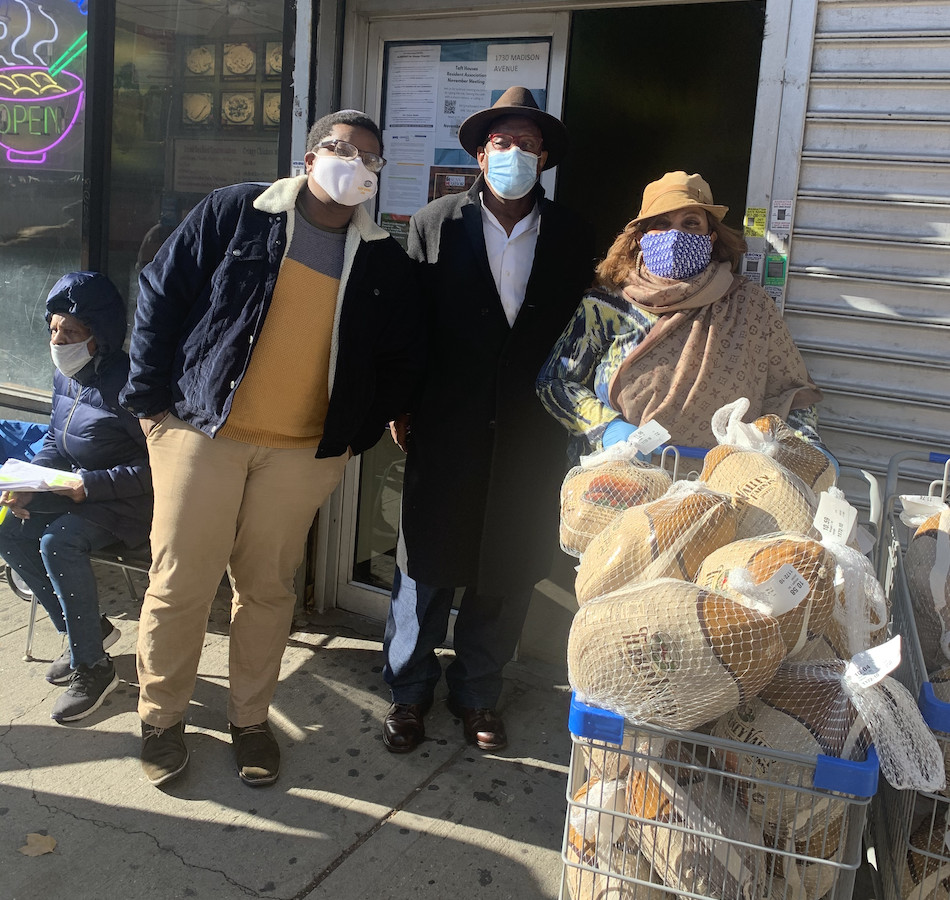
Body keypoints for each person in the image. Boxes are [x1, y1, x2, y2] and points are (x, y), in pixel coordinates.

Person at [120, 109, 423, 788]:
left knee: (265, 589)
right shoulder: (237, 212)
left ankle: (250, 719)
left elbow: (402, 360)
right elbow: (162, 292)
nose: (354, 163)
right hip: (201, 429)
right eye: (340, 148)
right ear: (309, 157)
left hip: (302, 453)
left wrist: (353, 437)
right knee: (181, 582)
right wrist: (149, 404)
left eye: (367, 157)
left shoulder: (381, 259)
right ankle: (161, 717)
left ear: (375, 177)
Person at [382, 86, 595, 754]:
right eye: (502, 143)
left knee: (504, 566)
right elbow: (409, 325)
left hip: (532, 429)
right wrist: (401, 402)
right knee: (427, 565)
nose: (513, 154)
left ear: (543, 159)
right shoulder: (435, 221)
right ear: (480, 153)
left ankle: (478, 693)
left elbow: (585, 336)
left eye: (527, 145)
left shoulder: (573, 234)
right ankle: (409, 691)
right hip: (446, 422)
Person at [537, 170, 831, 461]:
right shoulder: (607, 306)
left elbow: (792, 394)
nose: (675, 235)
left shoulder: (751, 305)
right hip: (625, 472)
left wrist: (806, 449)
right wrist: (607, 428)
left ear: (711, 237)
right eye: (661, 224)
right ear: (640, 238)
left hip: (724, 485)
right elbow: (555, 382)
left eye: (691, 223)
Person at [0, 272, 152, 723]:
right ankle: (84, 631)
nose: (58, 339)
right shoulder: (67, 375)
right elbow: (56, 439)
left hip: (128, 504)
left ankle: (93, 667)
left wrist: (92, 485)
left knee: (57, 542)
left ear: (98, 335)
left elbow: (160, 467)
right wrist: (29, 480)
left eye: (70, 331)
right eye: (53, 329)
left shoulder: (133, 386)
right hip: (79, 490)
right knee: (8, 524)